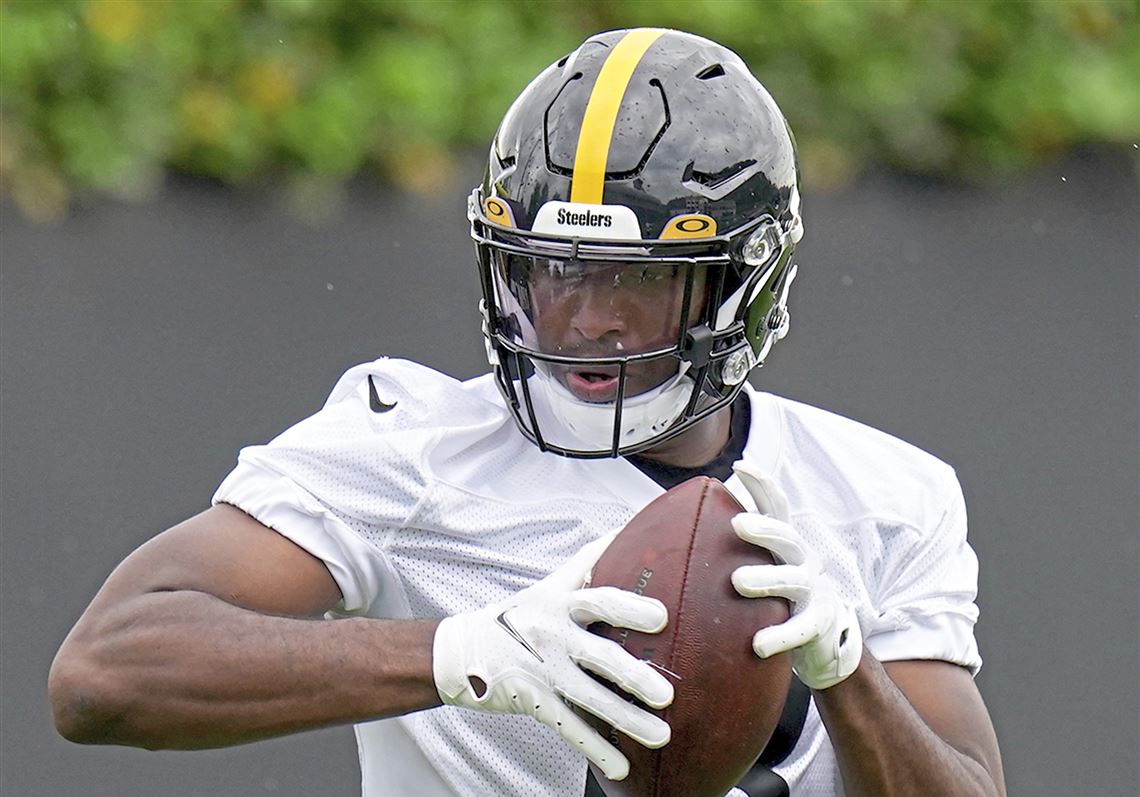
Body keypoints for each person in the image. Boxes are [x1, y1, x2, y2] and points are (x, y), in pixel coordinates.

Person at [49, 28, 1005, 797]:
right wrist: (462, 651)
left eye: (640, 278)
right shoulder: (407, 448)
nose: (588, 317)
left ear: (737, 286)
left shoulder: (885, 496)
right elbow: (103, 674)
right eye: (554, 267)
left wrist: (847, 678)